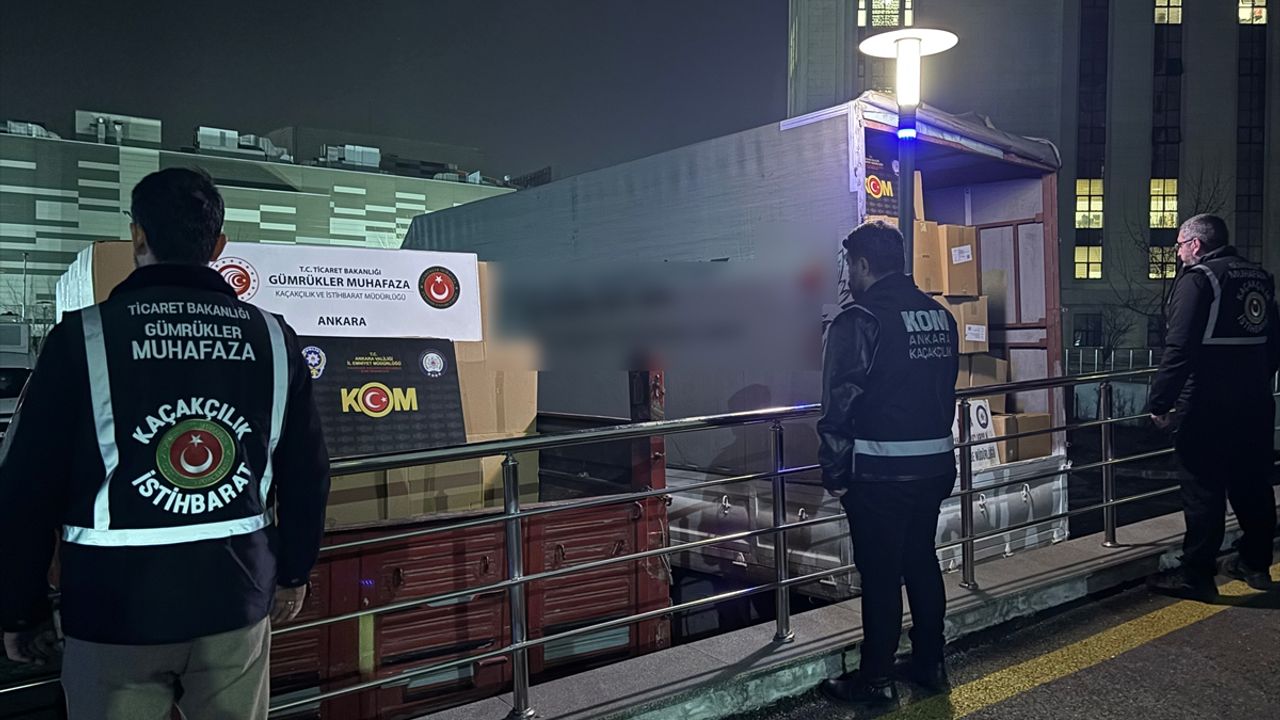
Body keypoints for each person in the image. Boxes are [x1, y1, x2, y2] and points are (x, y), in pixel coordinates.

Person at [0, 168, 330, 719]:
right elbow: (309, 473)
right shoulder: (273, 337)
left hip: (113, 612)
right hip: (236, 601)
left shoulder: (83, 337)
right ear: (218, 246)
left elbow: (25, 487)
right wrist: (294, 572)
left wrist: (20, 607)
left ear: (138, 236)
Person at [817, 221, 959, 706]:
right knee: (921, 561)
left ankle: (876, 681)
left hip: (880, 472)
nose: (847, 276)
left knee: (880, 576)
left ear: (861, 264)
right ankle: (930, 664)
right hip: (934, 464)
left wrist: (835, 472)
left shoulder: (859, 320)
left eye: (848, 266)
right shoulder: (940, 316)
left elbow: (839, 404)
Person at [1148, 213, 1279, 599]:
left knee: (1202, 490)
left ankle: (1197, 576)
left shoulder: (1199, 279)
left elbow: (1180, 346)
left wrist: (1160, 401)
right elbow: (1274, 344)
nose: (1177, 253)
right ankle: (1255, 564)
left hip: (1207, 404)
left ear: (1196, 244)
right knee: (1252, 485)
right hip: (1255, 403)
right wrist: (1256, 381)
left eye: (1179, 245)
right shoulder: (1259, 276)